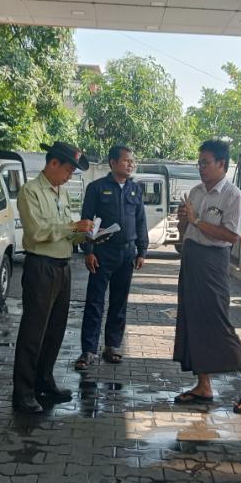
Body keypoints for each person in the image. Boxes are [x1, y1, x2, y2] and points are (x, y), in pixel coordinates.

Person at [172, 138, 241, 413]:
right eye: (199, 163)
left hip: (213, 262)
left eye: (206, 163)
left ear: (222, 164)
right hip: (191, 258)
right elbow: (186, 230)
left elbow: (232, 235)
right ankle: (203, 385)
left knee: (217, 322)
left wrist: (197, 221)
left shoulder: (233, 195)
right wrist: (184, 220)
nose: (201, 168)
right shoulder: (196, 192)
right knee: (192, 320)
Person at [12, 141, 94, 413]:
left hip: (62, 266)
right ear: (53, 163)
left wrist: (86, 235)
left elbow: (65, 234)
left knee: (55, 330)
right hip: (41, 267)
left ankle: (44, 380)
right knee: (33, 331)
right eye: (68, 170)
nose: (69, 176)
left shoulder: (62, 192)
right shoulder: (30, 191)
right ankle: (23, 392)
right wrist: (73, 227)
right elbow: (37, 232)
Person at [76, 145, 148, 370]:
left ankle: (112, 346)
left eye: (132, 161)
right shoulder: (97, 188)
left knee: (119, 302)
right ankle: (88, 350)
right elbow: (86, 220)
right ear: (113, 163)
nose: (130, 164)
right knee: (95, 301)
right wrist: (88, 251)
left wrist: (142, 251)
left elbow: (141, 221)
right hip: (102, 252)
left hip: (126, 254)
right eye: (126, 160)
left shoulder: (135, 189)